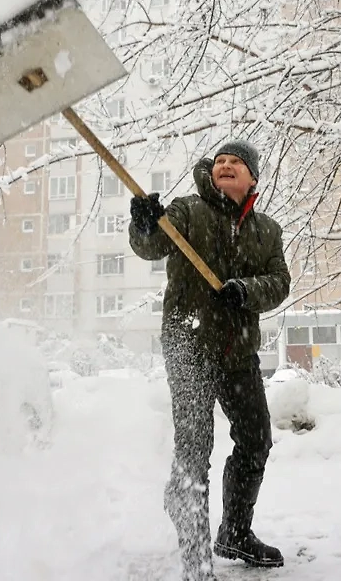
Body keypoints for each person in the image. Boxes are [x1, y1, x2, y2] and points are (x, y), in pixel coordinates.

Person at [129, 140, 291, 581]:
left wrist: (245, 290)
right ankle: (196, 560)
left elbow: (279, 281)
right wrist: (144, 224)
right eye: (219, 160)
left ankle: (235, 532)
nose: (224, 165)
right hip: (190, 343)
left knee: (256, 440)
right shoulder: (188, 211)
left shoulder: (267, 231)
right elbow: (152, 244)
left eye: (235, 162)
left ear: (252, 178)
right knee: (195, 449)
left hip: (237, 349)